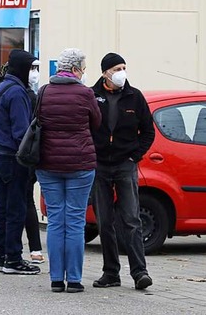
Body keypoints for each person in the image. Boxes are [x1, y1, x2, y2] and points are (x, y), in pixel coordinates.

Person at [35, 48, 101, 293]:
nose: (84, 72)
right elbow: (97, 122)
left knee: (55, 221)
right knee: (74, 222)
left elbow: (37, 121)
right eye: (83, 68)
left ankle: (55, 279)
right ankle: (73, 280)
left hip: (49, 164)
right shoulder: (85, 93)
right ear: (75, 69)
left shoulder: (44, 92)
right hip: (80, 165)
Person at [90, 52, 156, 290]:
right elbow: (85, 129)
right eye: (117, 69)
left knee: (131, 219)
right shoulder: (92, 95)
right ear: (105, 72)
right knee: (105, 221)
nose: (121, 73)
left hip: (125, 164)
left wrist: (134, 156)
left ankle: (140, 272)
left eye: (124, 68)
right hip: (100, 165)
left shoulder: (134, 97)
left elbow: (148, 132)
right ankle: (111, 272)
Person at [0, 49, 40, 275]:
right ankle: (13, 258)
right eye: (32, 68)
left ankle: (3, 256)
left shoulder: (1, 88)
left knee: (4, 209)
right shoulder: (17, 93)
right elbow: (22, 131)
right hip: (13, 157)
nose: (34, 73)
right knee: (16, 209)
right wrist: (32, 156)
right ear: (22, 68)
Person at [25, 60, 45, 264]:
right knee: (26, 202)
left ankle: (6, 252)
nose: (35, 73)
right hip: (26, 157)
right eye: (32, 69)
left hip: (24, 157)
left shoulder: (36, 96)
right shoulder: (31, 97)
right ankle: (35, 249)